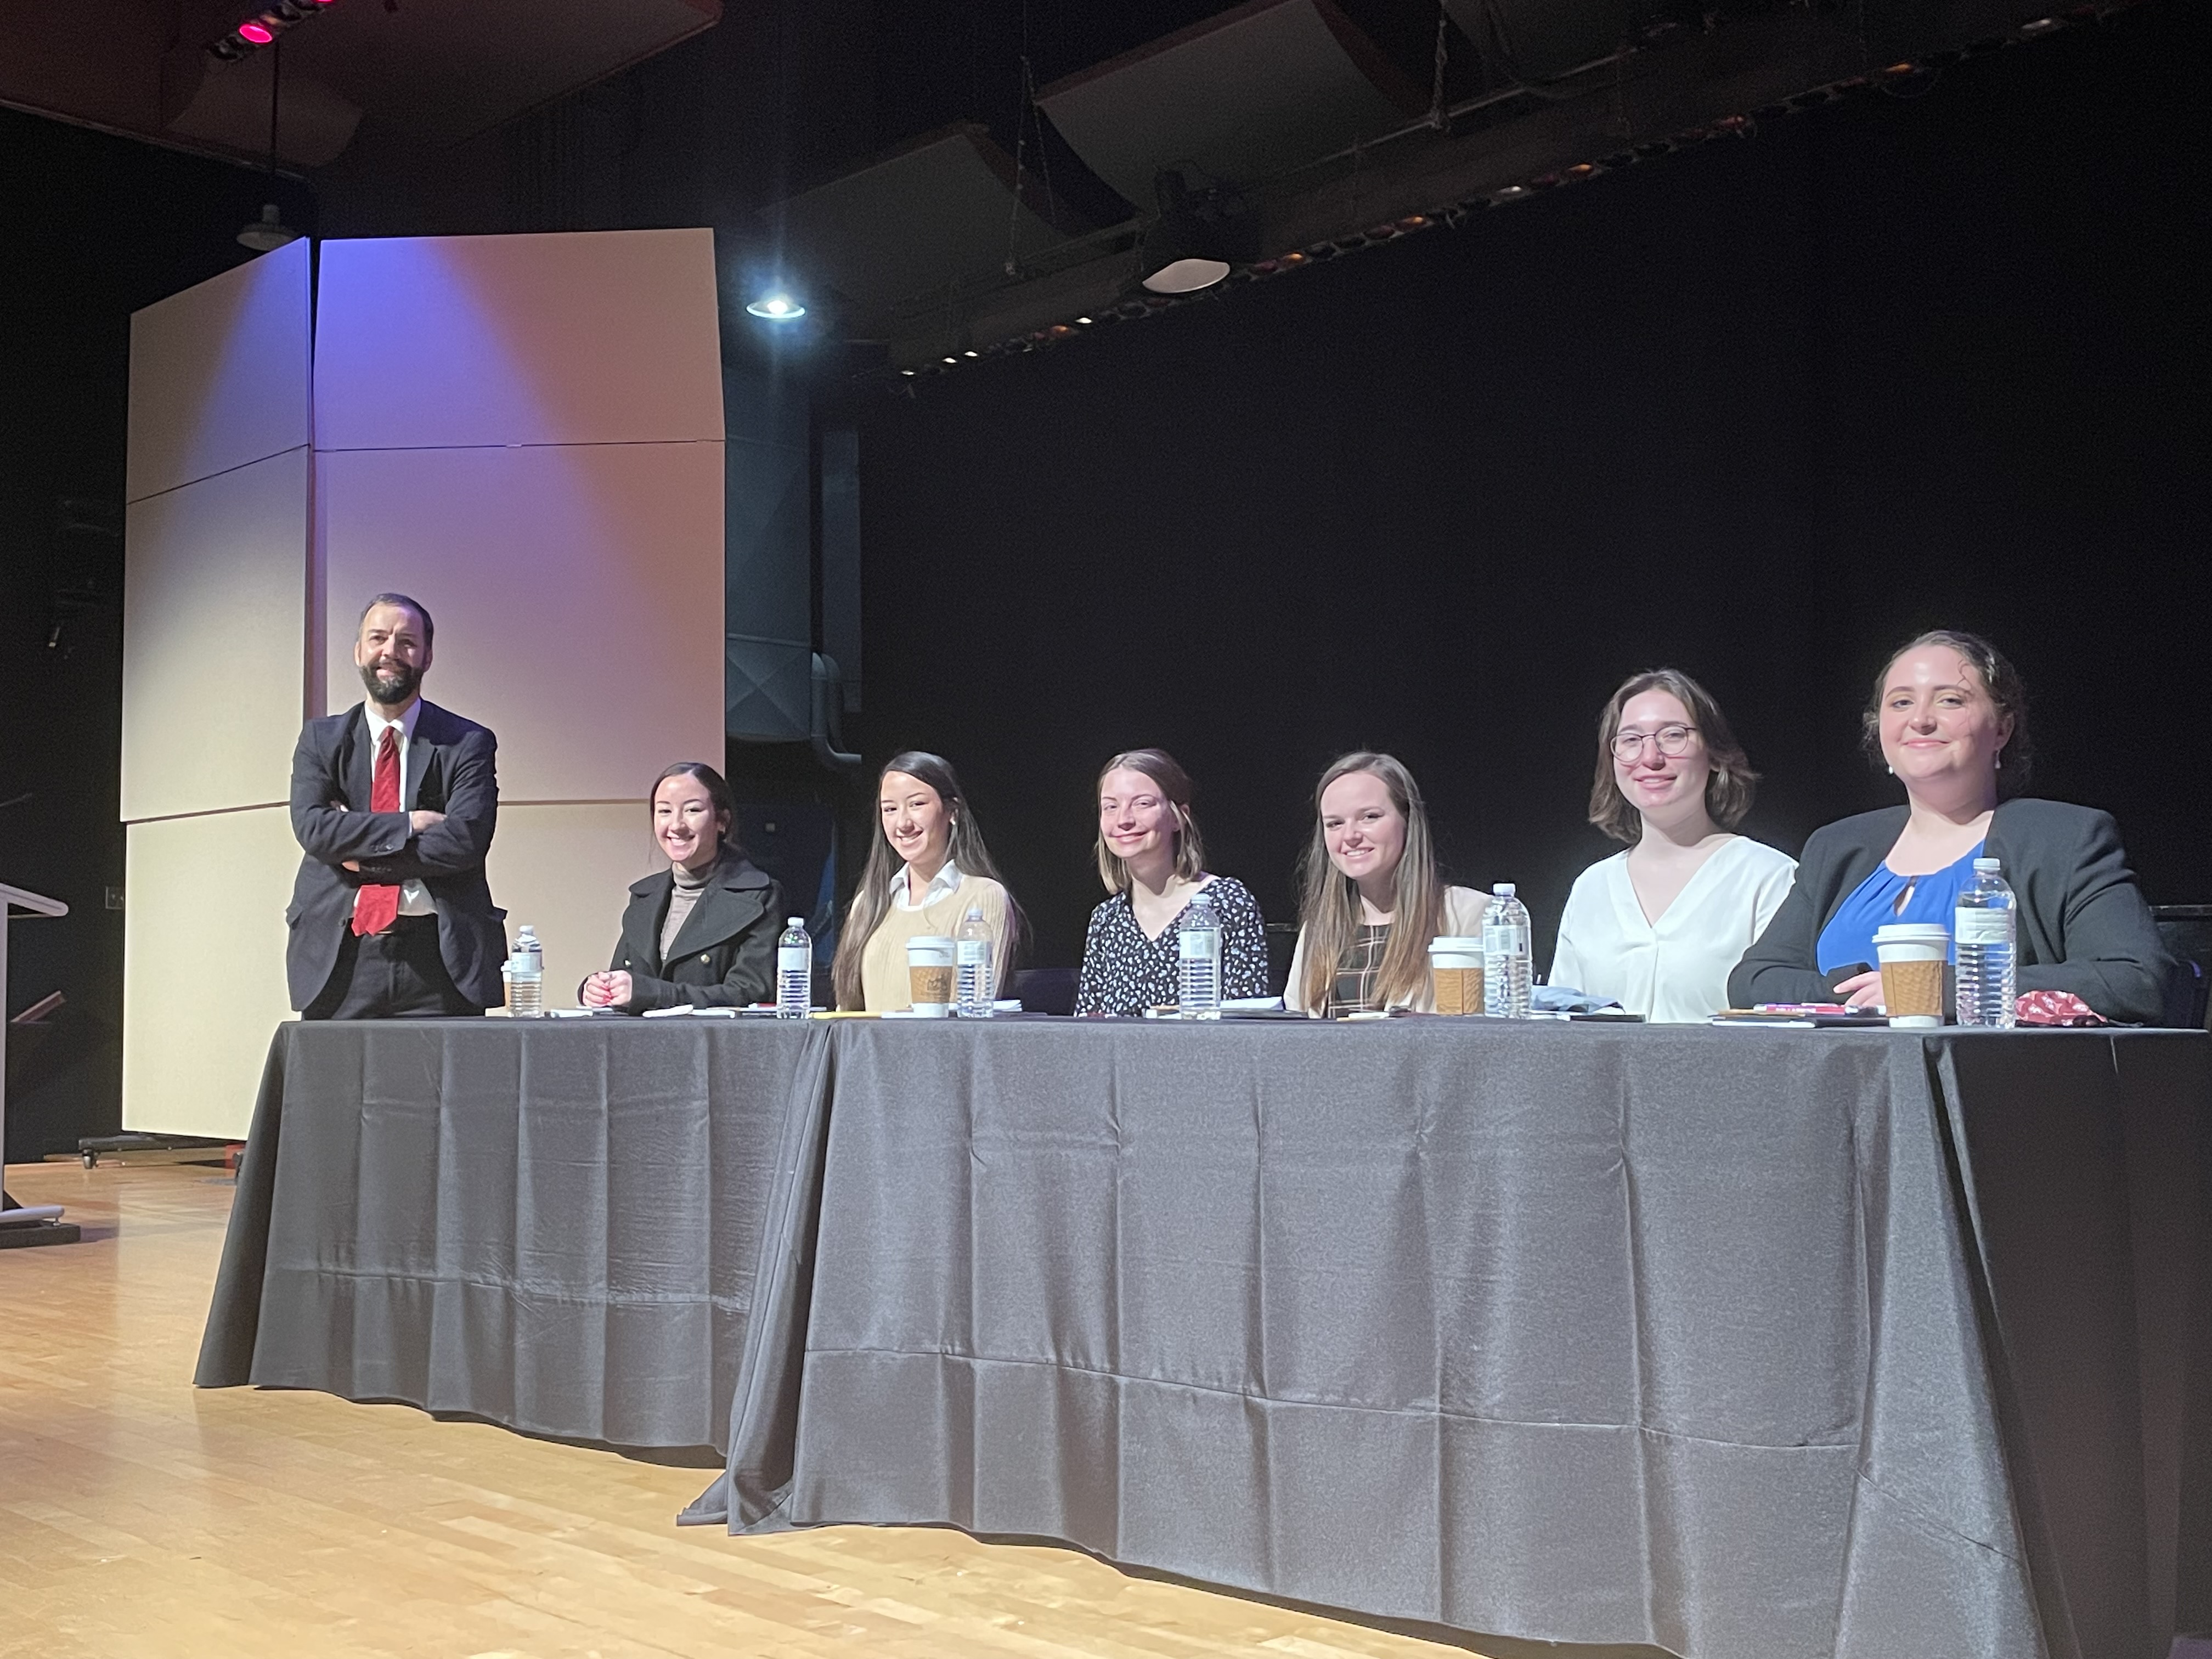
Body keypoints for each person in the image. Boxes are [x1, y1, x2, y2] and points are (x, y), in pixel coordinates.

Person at [1729, 629, 2175, 1023]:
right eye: (1901, 702)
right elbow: (1755, 981)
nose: (1920, 719)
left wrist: (1935, 990)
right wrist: (1861, 994)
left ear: (2002, 730)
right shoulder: (1837, 846)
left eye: (1950, 700)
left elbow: (2135, 979)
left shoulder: (2064, 838)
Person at [287, 594, 505, 1019]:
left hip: (441, 961)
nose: (390, 651)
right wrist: (410, 823)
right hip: (340, 960)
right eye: (378, 638)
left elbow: (464, 841)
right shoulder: (321, 741)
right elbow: (314, 830)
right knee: (340, 1088)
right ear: (358, 652)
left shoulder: (467, 742)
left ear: (426, 656)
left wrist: (359, 857)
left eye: (407, 641)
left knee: (449, 1088)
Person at [1550, 670, 1796, 1022]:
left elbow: (1785, 1027)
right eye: (1631, 740)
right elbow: (1563, 1024)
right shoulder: (1592, 887)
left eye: (1673, 736)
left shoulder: (1767, 878)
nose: (1651, 758)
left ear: (1713, 754)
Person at [1284, 752, 1486, 1016]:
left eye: (1369, 817)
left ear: (1408, 820)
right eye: (1335, 824)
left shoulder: (1470, 914)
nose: (1350, 836)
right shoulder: (1318, 930)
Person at [1075, 748, 1268, 1014]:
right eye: (1111, 807)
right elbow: (1086, 1027)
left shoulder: (1227, 902)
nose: (1124, 820)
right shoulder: (1106, 920)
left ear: (1179, 816)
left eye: (1142, 804)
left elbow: (1247, 1019)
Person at [580, 763, 783, 1013]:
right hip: (639, 1045)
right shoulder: (645, 896)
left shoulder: (759, 895)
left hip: (714, 1046)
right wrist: (601, 989)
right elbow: (629, 979)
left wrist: (653, 994)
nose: (676, 825)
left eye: (692, 810)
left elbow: (750, 990)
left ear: (722, 821)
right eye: (664, 811)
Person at [831, 752, 1023, 1011]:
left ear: (952, 812)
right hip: (868, 1050)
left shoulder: (982, 897)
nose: (903, 823)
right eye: (890, 809)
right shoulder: (869, 903)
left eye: (917, 805)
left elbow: (974, 1009)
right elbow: (849, 1008)